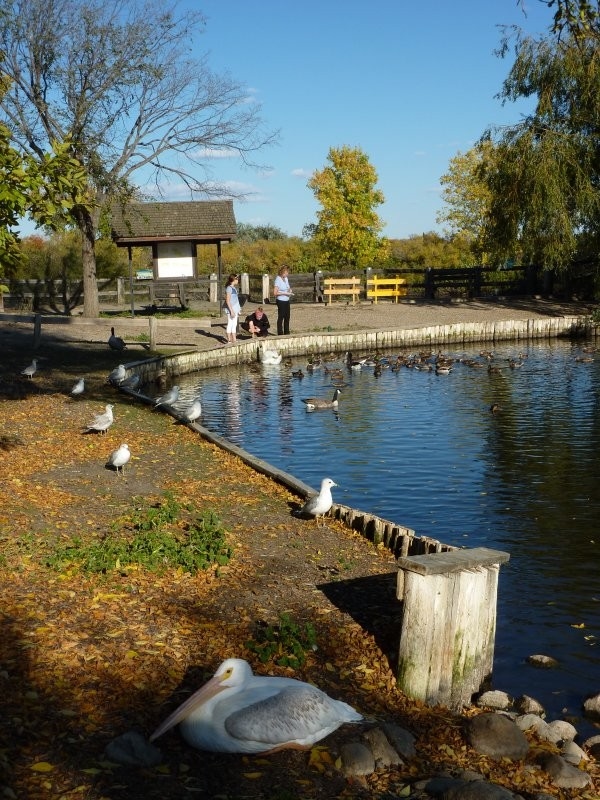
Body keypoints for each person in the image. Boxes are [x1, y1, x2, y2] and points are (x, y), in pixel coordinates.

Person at [273, 264, 293, 335]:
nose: (287, 274)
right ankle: (280, 332)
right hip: (281, 301)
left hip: (286, 300)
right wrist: (285, 293)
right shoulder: (278, 280)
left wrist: (290, 290)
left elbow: (288, 287)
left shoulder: (286, 279)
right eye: (286, 272)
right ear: (282, 272)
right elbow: (275, 293)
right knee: (281, 316)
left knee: (287, 316)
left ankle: (287, 332)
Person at [223, 273, 241, 344]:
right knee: (230, 324)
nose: (238, 280)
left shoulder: (233, 288)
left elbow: (235, 300)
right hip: (231, 309)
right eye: (237, 279)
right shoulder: (229, 288)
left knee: (234, 324)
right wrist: (231, 311)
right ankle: (229, 340)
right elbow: (228, 300)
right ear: (234, 279)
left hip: (235, 309)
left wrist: (238, 309)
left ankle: (234, 339)